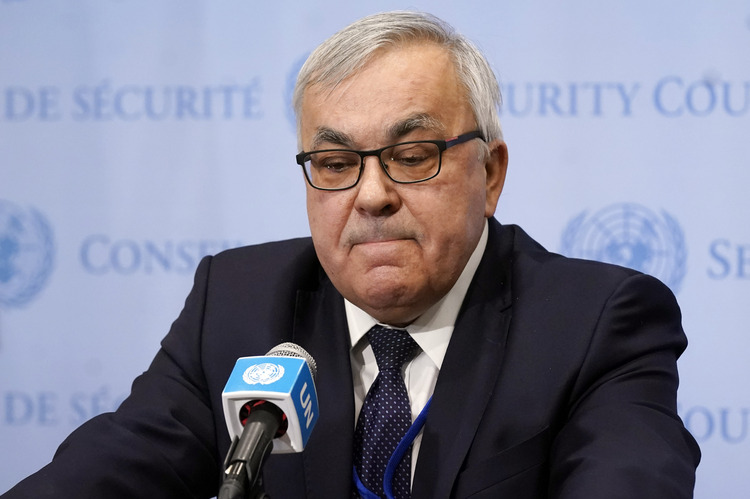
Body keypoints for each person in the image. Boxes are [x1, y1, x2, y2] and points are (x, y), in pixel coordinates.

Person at [2, 10, 699, 499]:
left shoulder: (596, 322)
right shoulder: (237, 303)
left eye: (412, 155)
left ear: (490, 174)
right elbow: (111, 468)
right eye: (335, 163)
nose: (371, 196)